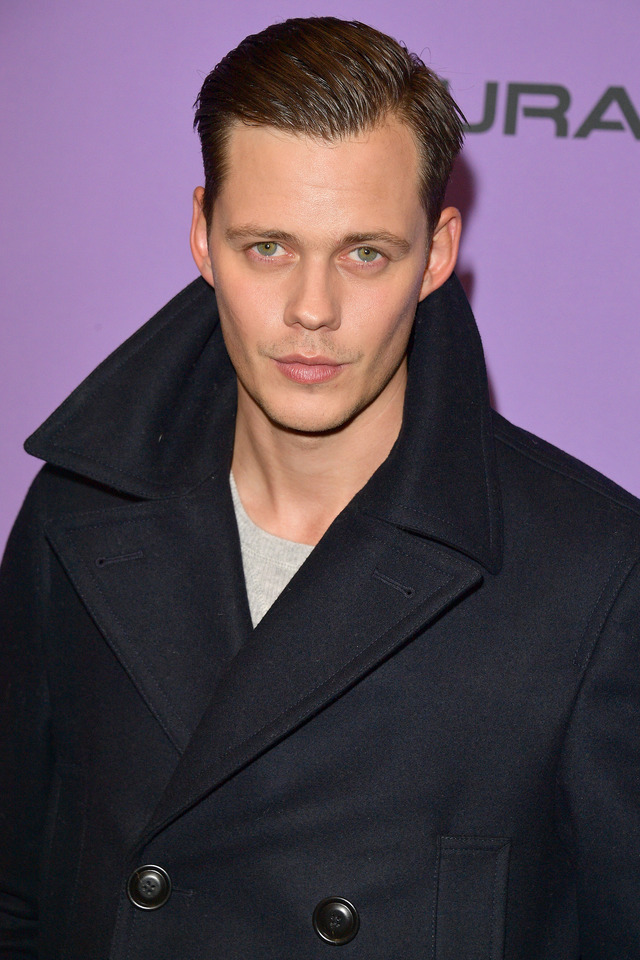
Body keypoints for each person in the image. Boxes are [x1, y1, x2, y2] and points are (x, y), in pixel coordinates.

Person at [1, 16, 639, 960]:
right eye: (268, 247)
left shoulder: (592, 573)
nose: (312, 309)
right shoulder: (78, 513)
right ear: (202, 236)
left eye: (363, 253)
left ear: (436, 254)